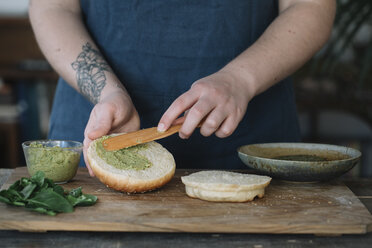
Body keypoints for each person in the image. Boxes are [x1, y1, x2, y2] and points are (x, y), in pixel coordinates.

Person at [29, 0, 336, 176]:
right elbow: (53, 8)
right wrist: (107, 92)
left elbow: (310, 6)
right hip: (100, 126)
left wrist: (240, 79)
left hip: (248, 143)